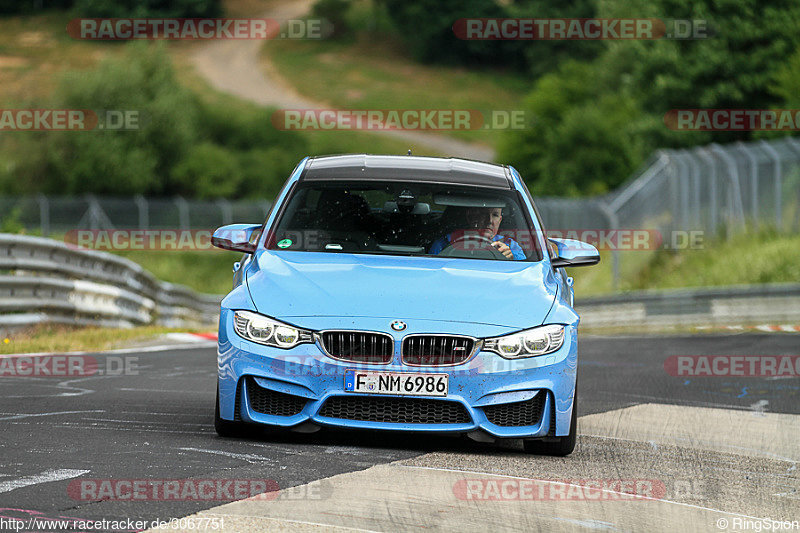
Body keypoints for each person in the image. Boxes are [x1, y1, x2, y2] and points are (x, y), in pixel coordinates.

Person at [429, 206, 526, 260]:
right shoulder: (444, 243)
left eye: (495, 215)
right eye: (484, 214)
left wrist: (512, 258)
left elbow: (524, 272)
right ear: (471, 217)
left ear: (500, 220)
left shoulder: (510, 245)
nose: (489, 220)